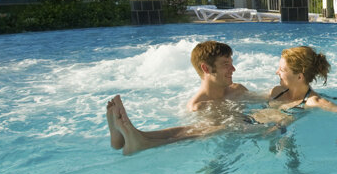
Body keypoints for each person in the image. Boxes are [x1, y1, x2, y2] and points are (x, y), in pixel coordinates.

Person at [106, 40, 250, 155]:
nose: (233, 69)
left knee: (226, 126)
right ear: (206, 68)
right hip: (222, 130)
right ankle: (140, 140)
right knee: (221, 128)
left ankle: (132, 136)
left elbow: (267, 98)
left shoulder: (237, 90)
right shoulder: (198, 106)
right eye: (226, 64)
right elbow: (195, 131)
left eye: (231, 64)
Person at [248, 46, 337, 147]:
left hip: (285, 138)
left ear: (299, 77)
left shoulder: (313, 102)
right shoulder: (277, 91)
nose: (276, 72)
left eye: (282, 70)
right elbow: (246, 98)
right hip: (257, 129)